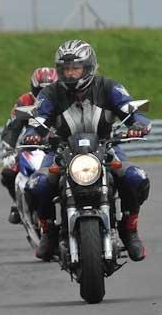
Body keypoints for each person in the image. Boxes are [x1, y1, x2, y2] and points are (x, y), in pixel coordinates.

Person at [24, 40, 151, 261]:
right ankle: (49, 231)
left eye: (76, 68)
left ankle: (130, 230)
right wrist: (32, 133)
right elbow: (38, 118)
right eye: (65, 69)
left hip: (106, 146)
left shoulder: (109, 87)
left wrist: (138, 124)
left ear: (89, 67)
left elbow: (130, 109)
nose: (71, 74)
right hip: (61, 150)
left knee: (135, 178)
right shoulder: (51, 93)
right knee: (37, 185)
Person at [0, 67, 58, 224]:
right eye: (40, 90)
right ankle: (17, 203)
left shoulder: (64, 98)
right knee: (8, 172)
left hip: (58, 144)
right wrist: (9, 149)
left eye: (49, 89)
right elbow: (12, 128)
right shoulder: (24, 101)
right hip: (32, 146)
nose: (44, 93)